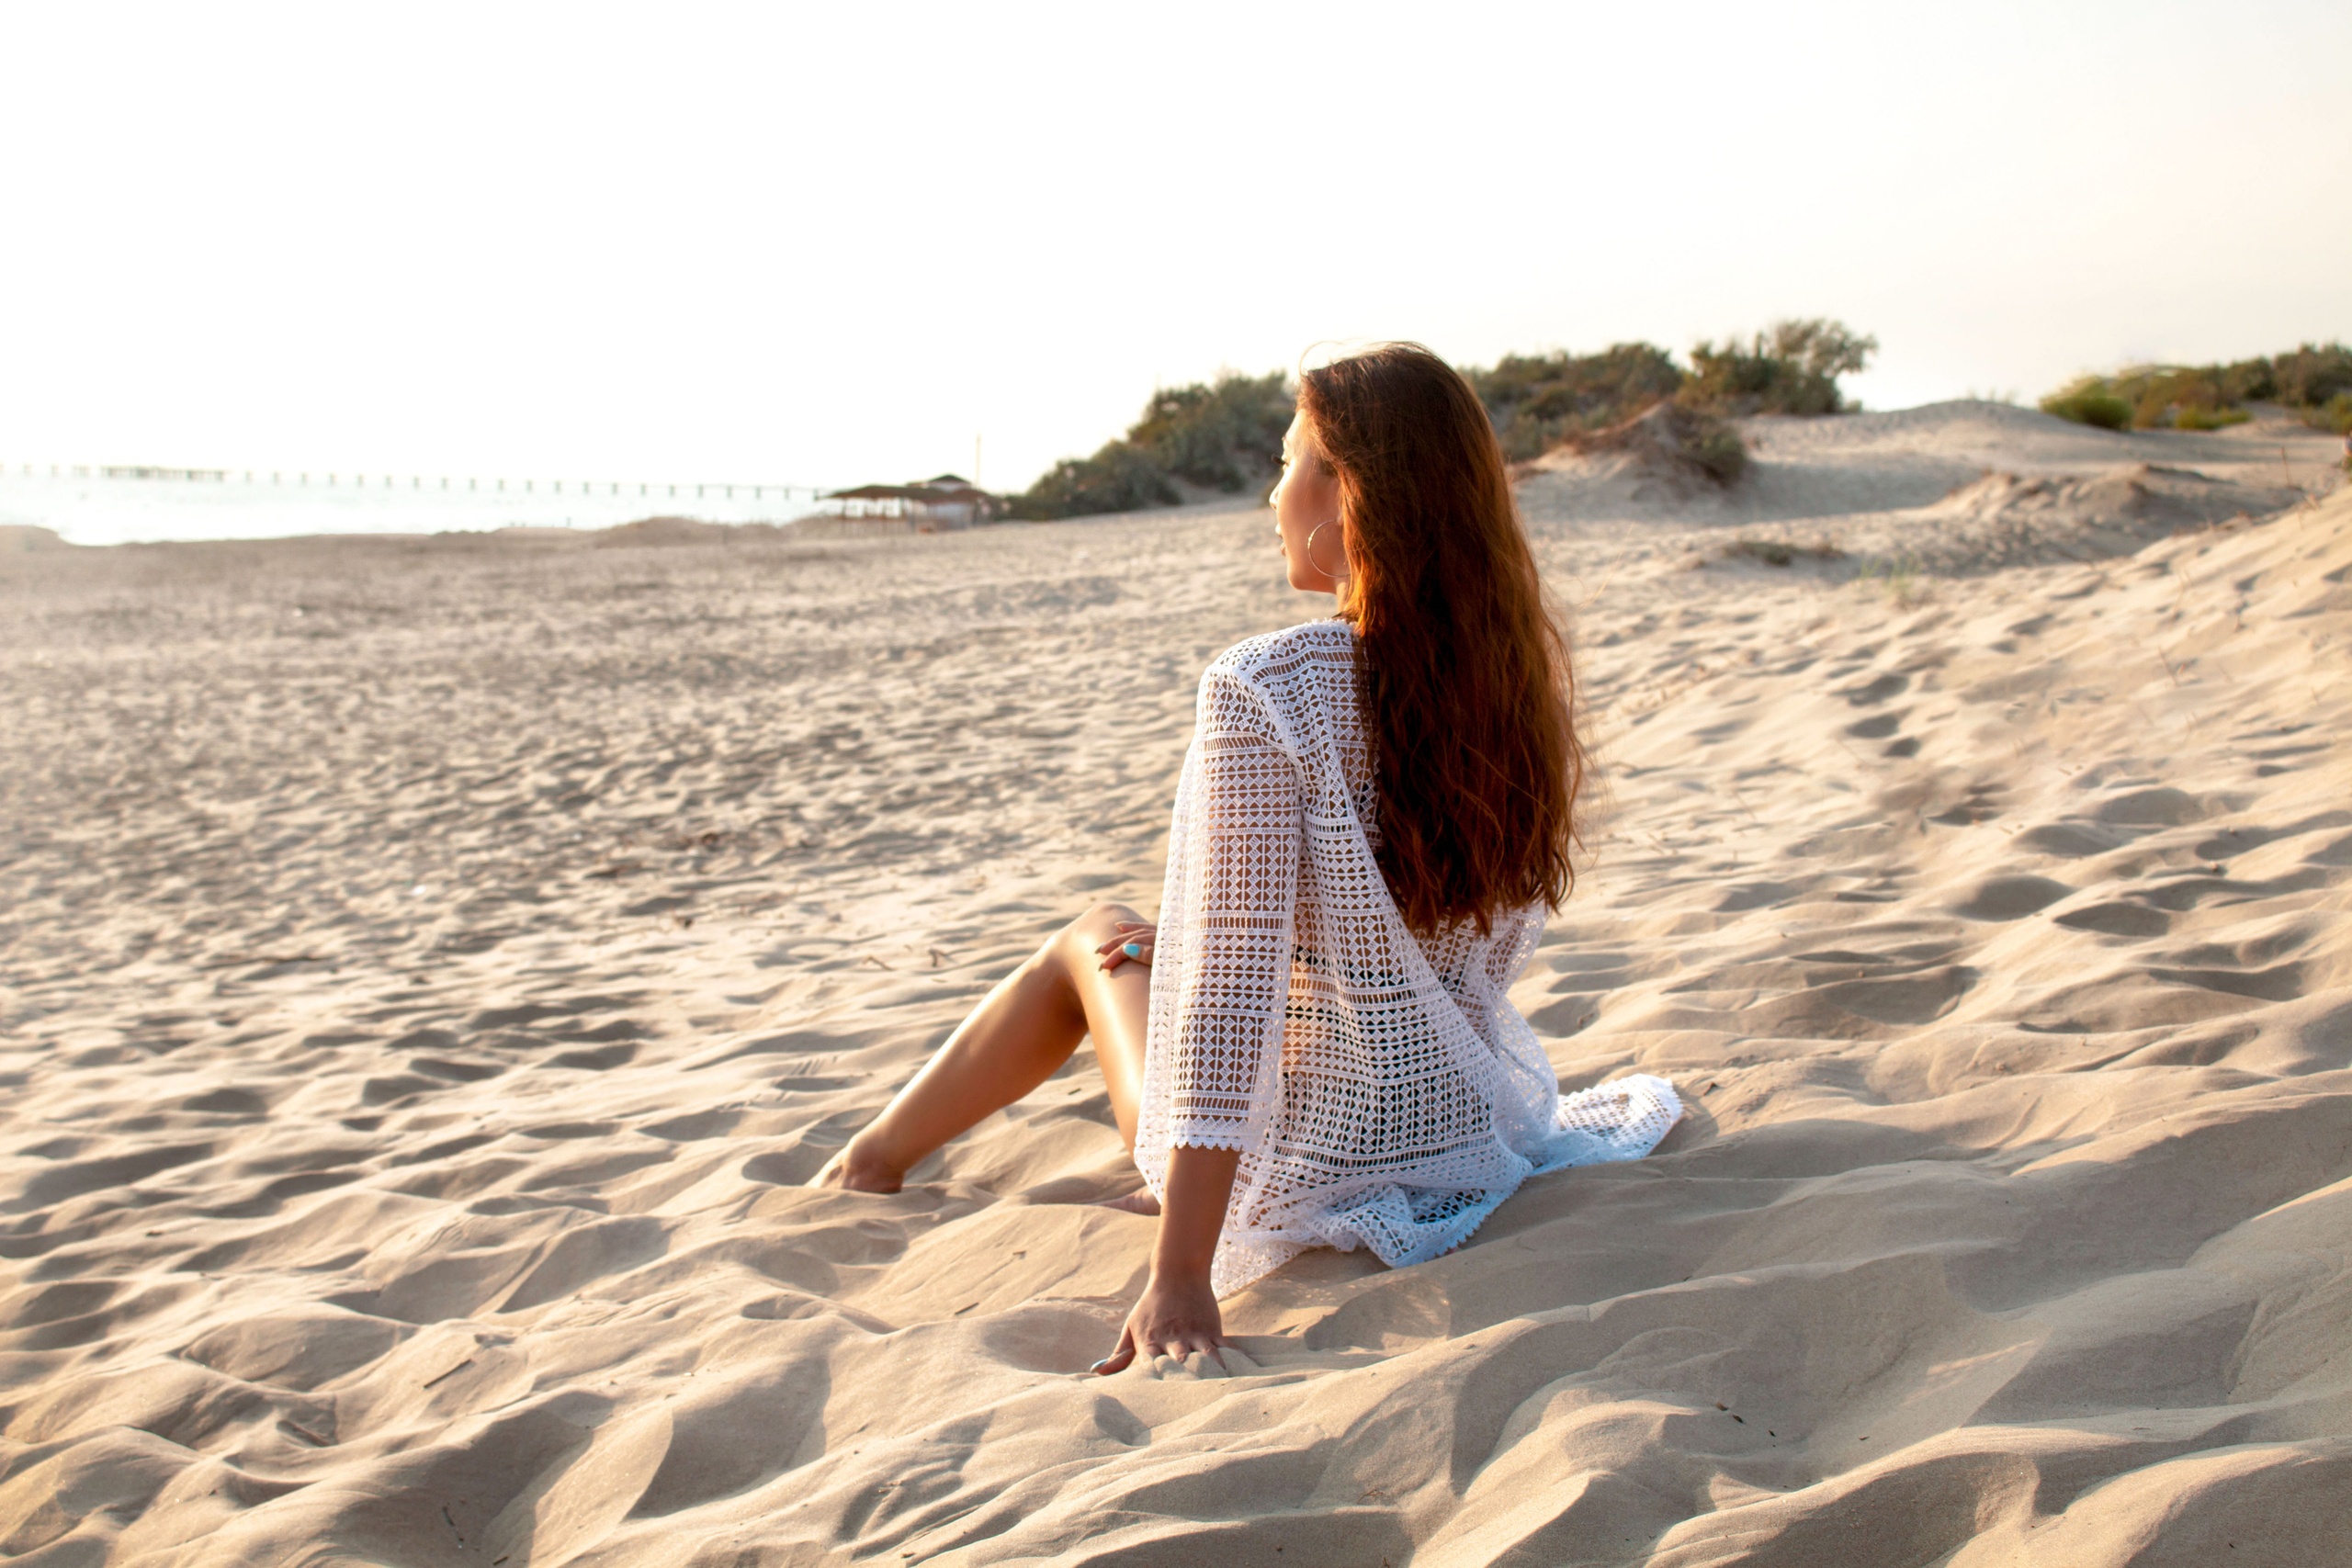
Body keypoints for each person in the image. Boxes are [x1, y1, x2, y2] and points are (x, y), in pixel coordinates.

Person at [811, 343, 1679, 1374]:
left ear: (1345, 492)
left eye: (1287, 462)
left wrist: (1182, 1270)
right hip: (1458, 1116)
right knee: (1145, 941)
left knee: (1092, 939)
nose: (1272, 495)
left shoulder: (1273, 685)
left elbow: (1227, 994)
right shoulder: (1506, 678)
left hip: (1304, 1142)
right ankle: (887, 1154)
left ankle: (867, 1165)